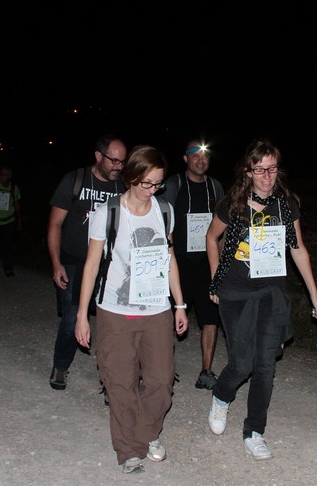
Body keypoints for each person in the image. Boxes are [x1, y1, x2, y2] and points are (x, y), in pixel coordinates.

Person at [204, 138, 317, 461]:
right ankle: (221, 396)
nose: (267, 176)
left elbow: (298, 249)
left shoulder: (285, 205)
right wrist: (215, 280)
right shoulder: (233, 204)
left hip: (271, 292)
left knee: (265, 366)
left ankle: (254, 432)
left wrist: (315, 296)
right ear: (248, 171)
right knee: (241, 363)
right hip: (235, 292)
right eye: (259, 170)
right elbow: (212, 238)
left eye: (272, 169)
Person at [75, 144, 188, 474]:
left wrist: (180, 304)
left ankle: (147, 432)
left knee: (161, 380)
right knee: (120, 382)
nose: (151, 190)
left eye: (158, 183)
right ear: (131, 177)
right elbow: (91, 265)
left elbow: (169, 259)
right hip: (115, 311)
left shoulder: (164, 211)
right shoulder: (108, 213)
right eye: (146, 183)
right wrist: (82, 316)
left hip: (156, 310)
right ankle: (128, 447)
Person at [47, 134, 127, 392]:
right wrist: (56, 263)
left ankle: (110, 378)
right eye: (114, 160)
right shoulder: (75, 180)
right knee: (72, 318)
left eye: (122, 162)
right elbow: (55, 224)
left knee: (111, 323)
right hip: (75, 263)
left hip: (109, 266)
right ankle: (61, 365)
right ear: (98, 156)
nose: (118, 166)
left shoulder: (122, 186)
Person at [159, 140, 225, 390]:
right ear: (185, 158)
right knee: (169, 317)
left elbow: (222, 228)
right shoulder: (174, 184)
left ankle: (206, 372)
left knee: (211, 318)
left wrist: (221, 266)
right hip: (179, 263)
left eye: (205, 156)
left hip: (207, 263)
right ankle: (162, 369)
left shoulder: (215, 187)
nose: (200, 160)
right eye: (194, 155)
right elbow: (162, 220)